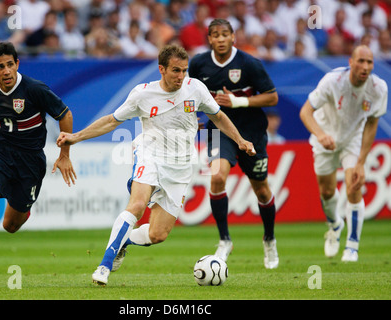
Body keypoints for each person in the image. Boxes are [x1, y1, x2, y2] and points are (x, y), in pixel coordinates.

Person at [56, 44, 256, 286]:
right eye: (175, 71)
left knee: (158, 234)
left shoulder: (196, 89)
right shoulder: (142, 94)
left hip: (181, 166)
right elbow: (111, 121)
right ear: (161, 69)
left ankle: (124, 242)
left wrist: (240, 139)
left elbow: (218, 116)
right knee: (138, 205)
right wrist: (76, 137)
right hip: (149, 154)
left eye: (184, 70)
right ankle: (104, 265)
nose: (181, 76)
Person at [0, 42, 76, 285]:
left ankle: (23, 206)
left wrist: (64, 155)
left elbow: (65, 115)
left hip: (30, 161)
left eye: (10, 64)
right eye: (0, 67)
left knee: (10, 225)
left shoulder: (35, 89)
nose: (6, 71)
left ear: (17, 64)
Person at [188, 19, 280, 269]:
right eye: (215, 35)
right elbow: (191, 95)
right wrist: (191, 117)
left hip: (252, 132)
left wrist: (238, 102)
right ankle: (224, 240)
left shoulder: (250, 64)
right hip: (219, 130)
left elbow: (272, 97)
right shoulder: (198, 64)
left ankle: (269, 238)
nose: (220, 39)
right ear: (209, 39)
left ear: (233, 37)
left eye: (224, 34)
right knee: (217, 177)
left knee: (261, 190)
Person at [299, 45, 387, 262]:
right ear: (351, 62)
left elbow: (372, 123)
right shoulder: (332, 81)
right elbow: (306, 111)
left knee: (353, 186)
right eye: (361, 61)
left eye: (369, 62)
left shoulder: (378, 88)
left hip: (352, 139)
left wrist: (361, 162)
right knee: (327, 191)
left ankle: (352, 246)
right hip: (324, 137)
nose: (365, 67)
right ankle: (335, 225)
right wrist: (320, 135)